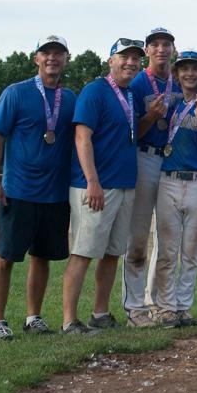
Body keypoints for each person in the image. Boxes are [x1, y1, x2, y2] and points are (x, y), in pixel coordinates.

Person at [0, 35, 77, 340]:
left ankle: (33, 317)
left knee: (42, 257)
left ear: (66, 59)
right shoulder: (16, 93)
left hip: (55, 194)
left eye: (58, 53)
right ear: (36, 58)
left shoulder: (71, 99)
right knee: (5, 256)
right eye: (46, 52)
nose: (52, 58)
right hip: (18, 191)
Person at [61, 37, 145, 335]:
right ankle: (69, 321)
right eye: (124, 57)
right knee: (83, 252)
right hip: (96, 186)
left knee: (112, 253)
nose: (130, 62)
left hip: (124, 184)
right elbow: (82, 137)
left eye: (135, 58)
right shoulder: (95, 90)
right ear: (111, 61)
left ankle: (100, 313)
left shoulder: (131, 94)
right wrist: (92, 181)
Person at [148, 50, 197, 328]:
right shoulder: (170, 103)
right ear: (177, 74)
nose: (190, 74)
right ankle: (166, 306)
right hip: (169, 180)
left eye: (195, 69)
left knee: (191, 250)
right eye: (184, 69)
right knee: (167, 249)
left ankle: (183, 307)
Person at [123, 26, 180, 328]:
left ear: (173, 50)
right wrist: (150, 117)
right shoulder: (137, 84)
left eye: (166, 44)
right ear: (146, 51)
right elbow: (130, 133)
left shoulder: (178, 83)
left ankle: (158, 303)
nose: (161, 49)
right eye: (155, 44)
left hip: (171, 161)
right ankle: (134, 307)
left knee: (167, 238)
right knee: (138, 237)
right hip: (144, 156)